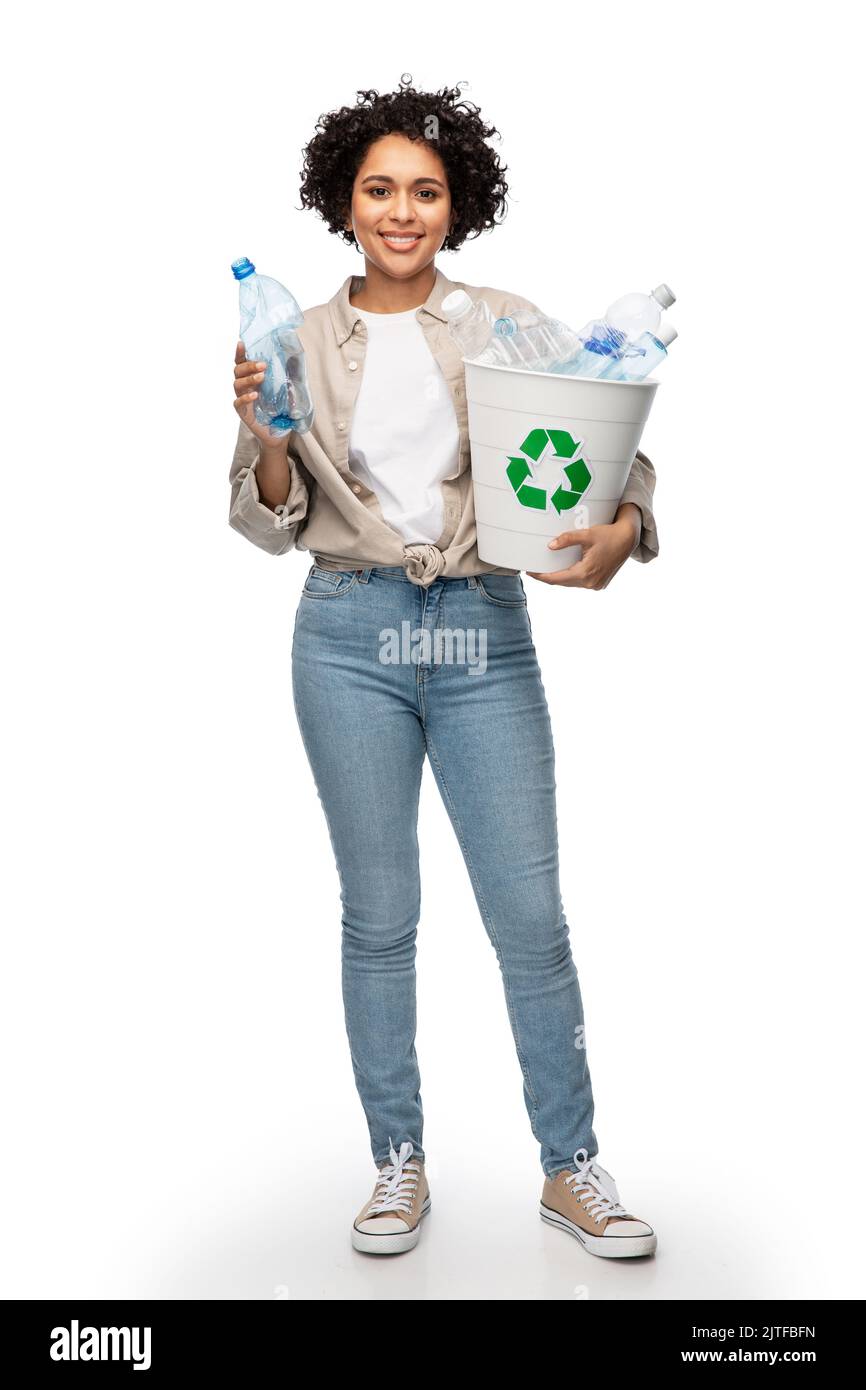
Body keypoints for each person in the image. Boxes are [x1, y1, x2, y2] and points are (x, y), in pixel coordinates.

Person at [228, 77, 659, 1261]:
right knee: (380, 917)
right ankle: (396, 1163)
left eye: (424, 190)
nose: (401, 211)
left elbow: (608, 435)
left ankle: (569, 1167)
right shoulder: (294, 339)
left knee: (529, 917)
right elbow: (268, 519)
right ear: (344, 203)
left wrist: (625, 528)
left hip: (478, 632)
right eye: (379, 190)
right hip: (347, 634)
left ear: (456, 205)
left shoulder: (505, 319)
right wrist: (268, 444)